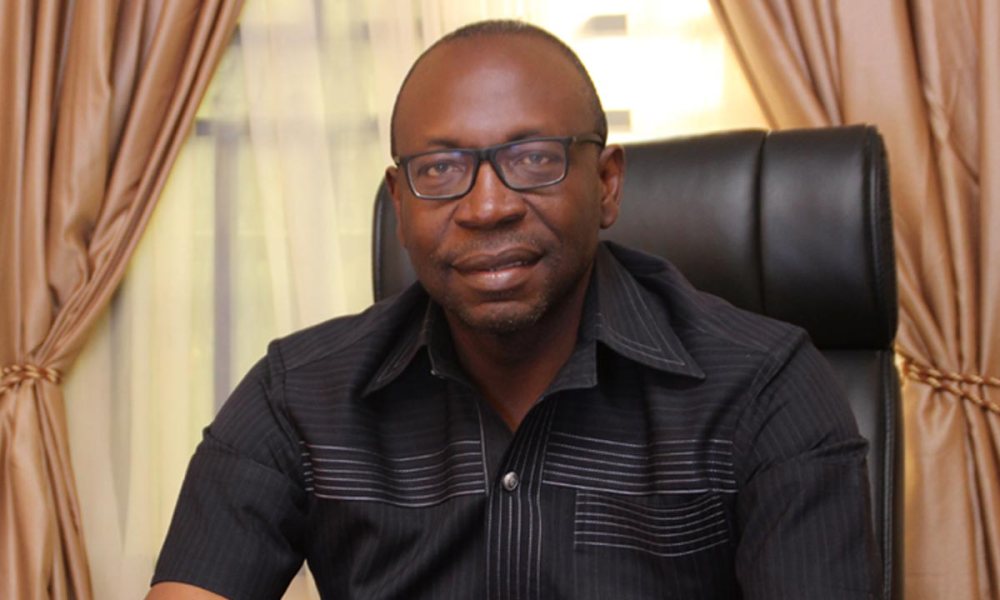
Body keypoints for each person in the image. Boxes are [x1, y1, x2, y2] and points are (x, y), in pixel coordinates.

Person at [148, 19, 880, 600]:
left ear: (607, 184)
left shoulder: (765, 388)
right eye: (441, 169)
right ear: (399, 204)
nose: (488, 206)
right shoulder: (298, 395)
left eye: (533, 158)